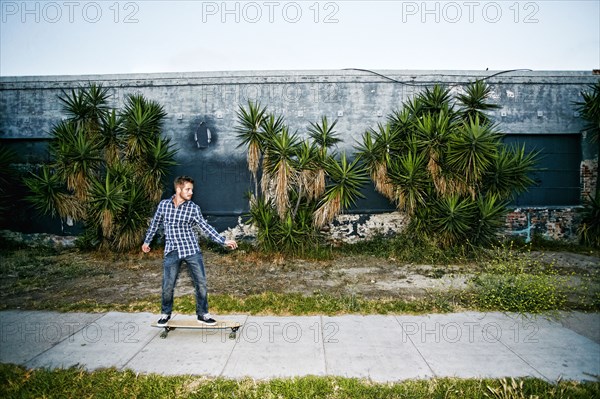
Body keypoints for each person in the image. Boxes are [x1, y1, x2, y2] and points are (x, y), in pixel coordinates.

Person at [142, 175, 237, 326]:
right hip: (172, 251)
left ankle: (203, 314)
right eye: (188, 189)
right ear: (178, 189)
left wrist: (223, 240)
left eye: (192, 190)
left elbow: (205, 227)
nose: (191, 192)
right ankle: (165, 314)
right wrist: (147, 241)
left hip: (191, 250)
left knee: (201, 283)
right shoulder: (164, 205)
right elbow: (154, 224)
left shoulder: (193, 208)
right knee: (168, 285)